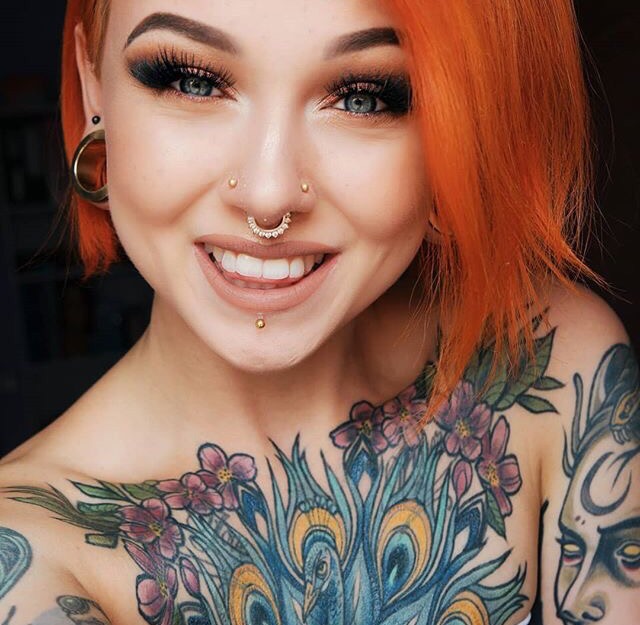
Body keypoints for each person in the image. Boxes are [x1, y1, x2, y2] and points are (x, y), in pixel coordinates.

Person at [0, 1, 637, 624]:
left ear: (459, 125)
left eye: (363, 98)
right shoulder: (33, 558)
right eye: (194, 82)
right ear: (94, 89)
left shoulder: (553, 363)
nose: (269, 195)